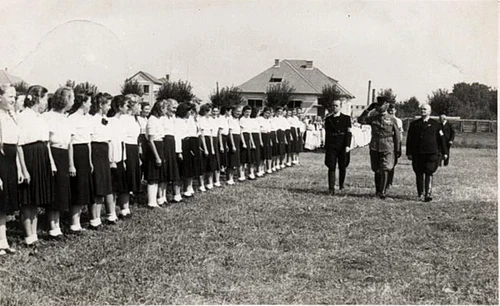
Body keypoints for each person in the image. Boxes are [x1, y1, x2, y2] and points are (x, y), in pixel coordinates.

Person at [17, 85, 54, 245]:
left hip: (41, 156)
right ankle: (28, 235)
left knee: (36, 196)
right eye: (45, 98)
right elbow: (19, 145)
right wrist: (24, 169)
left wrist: (50, 162)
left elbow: (45, 141)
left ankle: (34, 234)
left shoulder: (41, 117)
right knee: (28, 197)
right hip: (29, 156)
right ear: (37, 98)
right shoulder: (23, 117)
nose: (46, 102)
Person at [358, 96, 401, 199]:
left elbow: (397, 135)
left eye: (382, 105)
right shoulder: (373, 118)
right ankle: (377, 191)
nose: (380, 107)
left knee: (385, 168)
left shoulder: (392, 119)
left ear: (386, 106)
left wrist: (397, 149)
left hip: (387, 145)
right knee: (376, 169)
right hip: (375, 145)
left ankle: (383, 192)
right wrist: (368, 109)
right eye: (378, 105)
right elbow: (361, 120)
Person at [407, 103, 448, 202]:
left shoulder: (436, 125)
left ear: (429, 111)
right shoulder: (414, 124)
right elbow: (409, 140)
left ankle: (428, 194)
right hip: (418, 153)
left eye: (425, 109)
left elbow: (441, 139)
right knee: (419, 173)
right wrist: (409, 152)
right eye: (421, 109)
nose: (422, 111)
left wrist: (445, 152)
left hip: (431, 153)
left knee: (429, 172)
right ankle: (420, 193)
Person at [67, 93, 94, 233]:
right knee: (76, 187)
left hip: (85, 153)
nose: (90, 105)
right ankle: (74, 223)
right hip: (76, 153)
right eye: (89, 102)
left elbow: (88, 142)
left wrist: (89, 161)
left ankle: (79, 221)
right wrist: (71, 164)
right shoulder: (72, 119)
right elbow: (70, 143)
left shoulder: (86, 119)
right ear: (83, 102)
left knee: (84, 187)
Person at [0, 84, 21, 255]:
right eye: (10, 97)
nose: (13, 100)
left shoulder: (10, 116)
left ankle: (3, 241)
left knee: (4, 203)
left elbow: (16, 143)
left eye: (15, 97)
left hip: (10, 161)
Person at [88, 93, 115, 228]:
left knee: (104, 184)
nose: (109, 108)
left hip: (104, 151)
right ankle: (94, 218)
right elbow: (91, 138)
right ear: (100, 104)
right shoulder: (92, 120)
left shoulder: (106, 119)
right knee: (97, 185)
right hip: (96, 150)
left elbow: (109, 139)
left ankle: (100, 216)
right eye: (108, 104)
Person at [323, 100, 352, 195]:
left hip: (342, 145)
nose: (334, 107)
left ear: (340, 106)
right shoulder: (328, 119)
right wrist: (326, 146)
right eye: (333, 105)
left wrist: (348, 145)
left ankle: (341, 184)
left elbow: (348, 133)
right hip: (332, 145)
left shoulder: (346, 118)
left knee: (342, 166)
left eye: (336, 105)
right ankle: (331, 188)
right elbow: (327, 133)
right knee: (331, 166)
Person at [386, 103, 403, 190]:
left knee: (393, 163)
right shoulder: (386, 120)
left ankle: (390, 181)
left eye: (392, 110)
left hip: (396, 143)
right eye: (389, 111)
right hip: (388, 143)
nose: (391, 112)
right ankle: (386, 182)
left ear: (395, 111)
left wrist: (399, 145)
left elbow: (400, 134)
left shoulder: (398, 121)